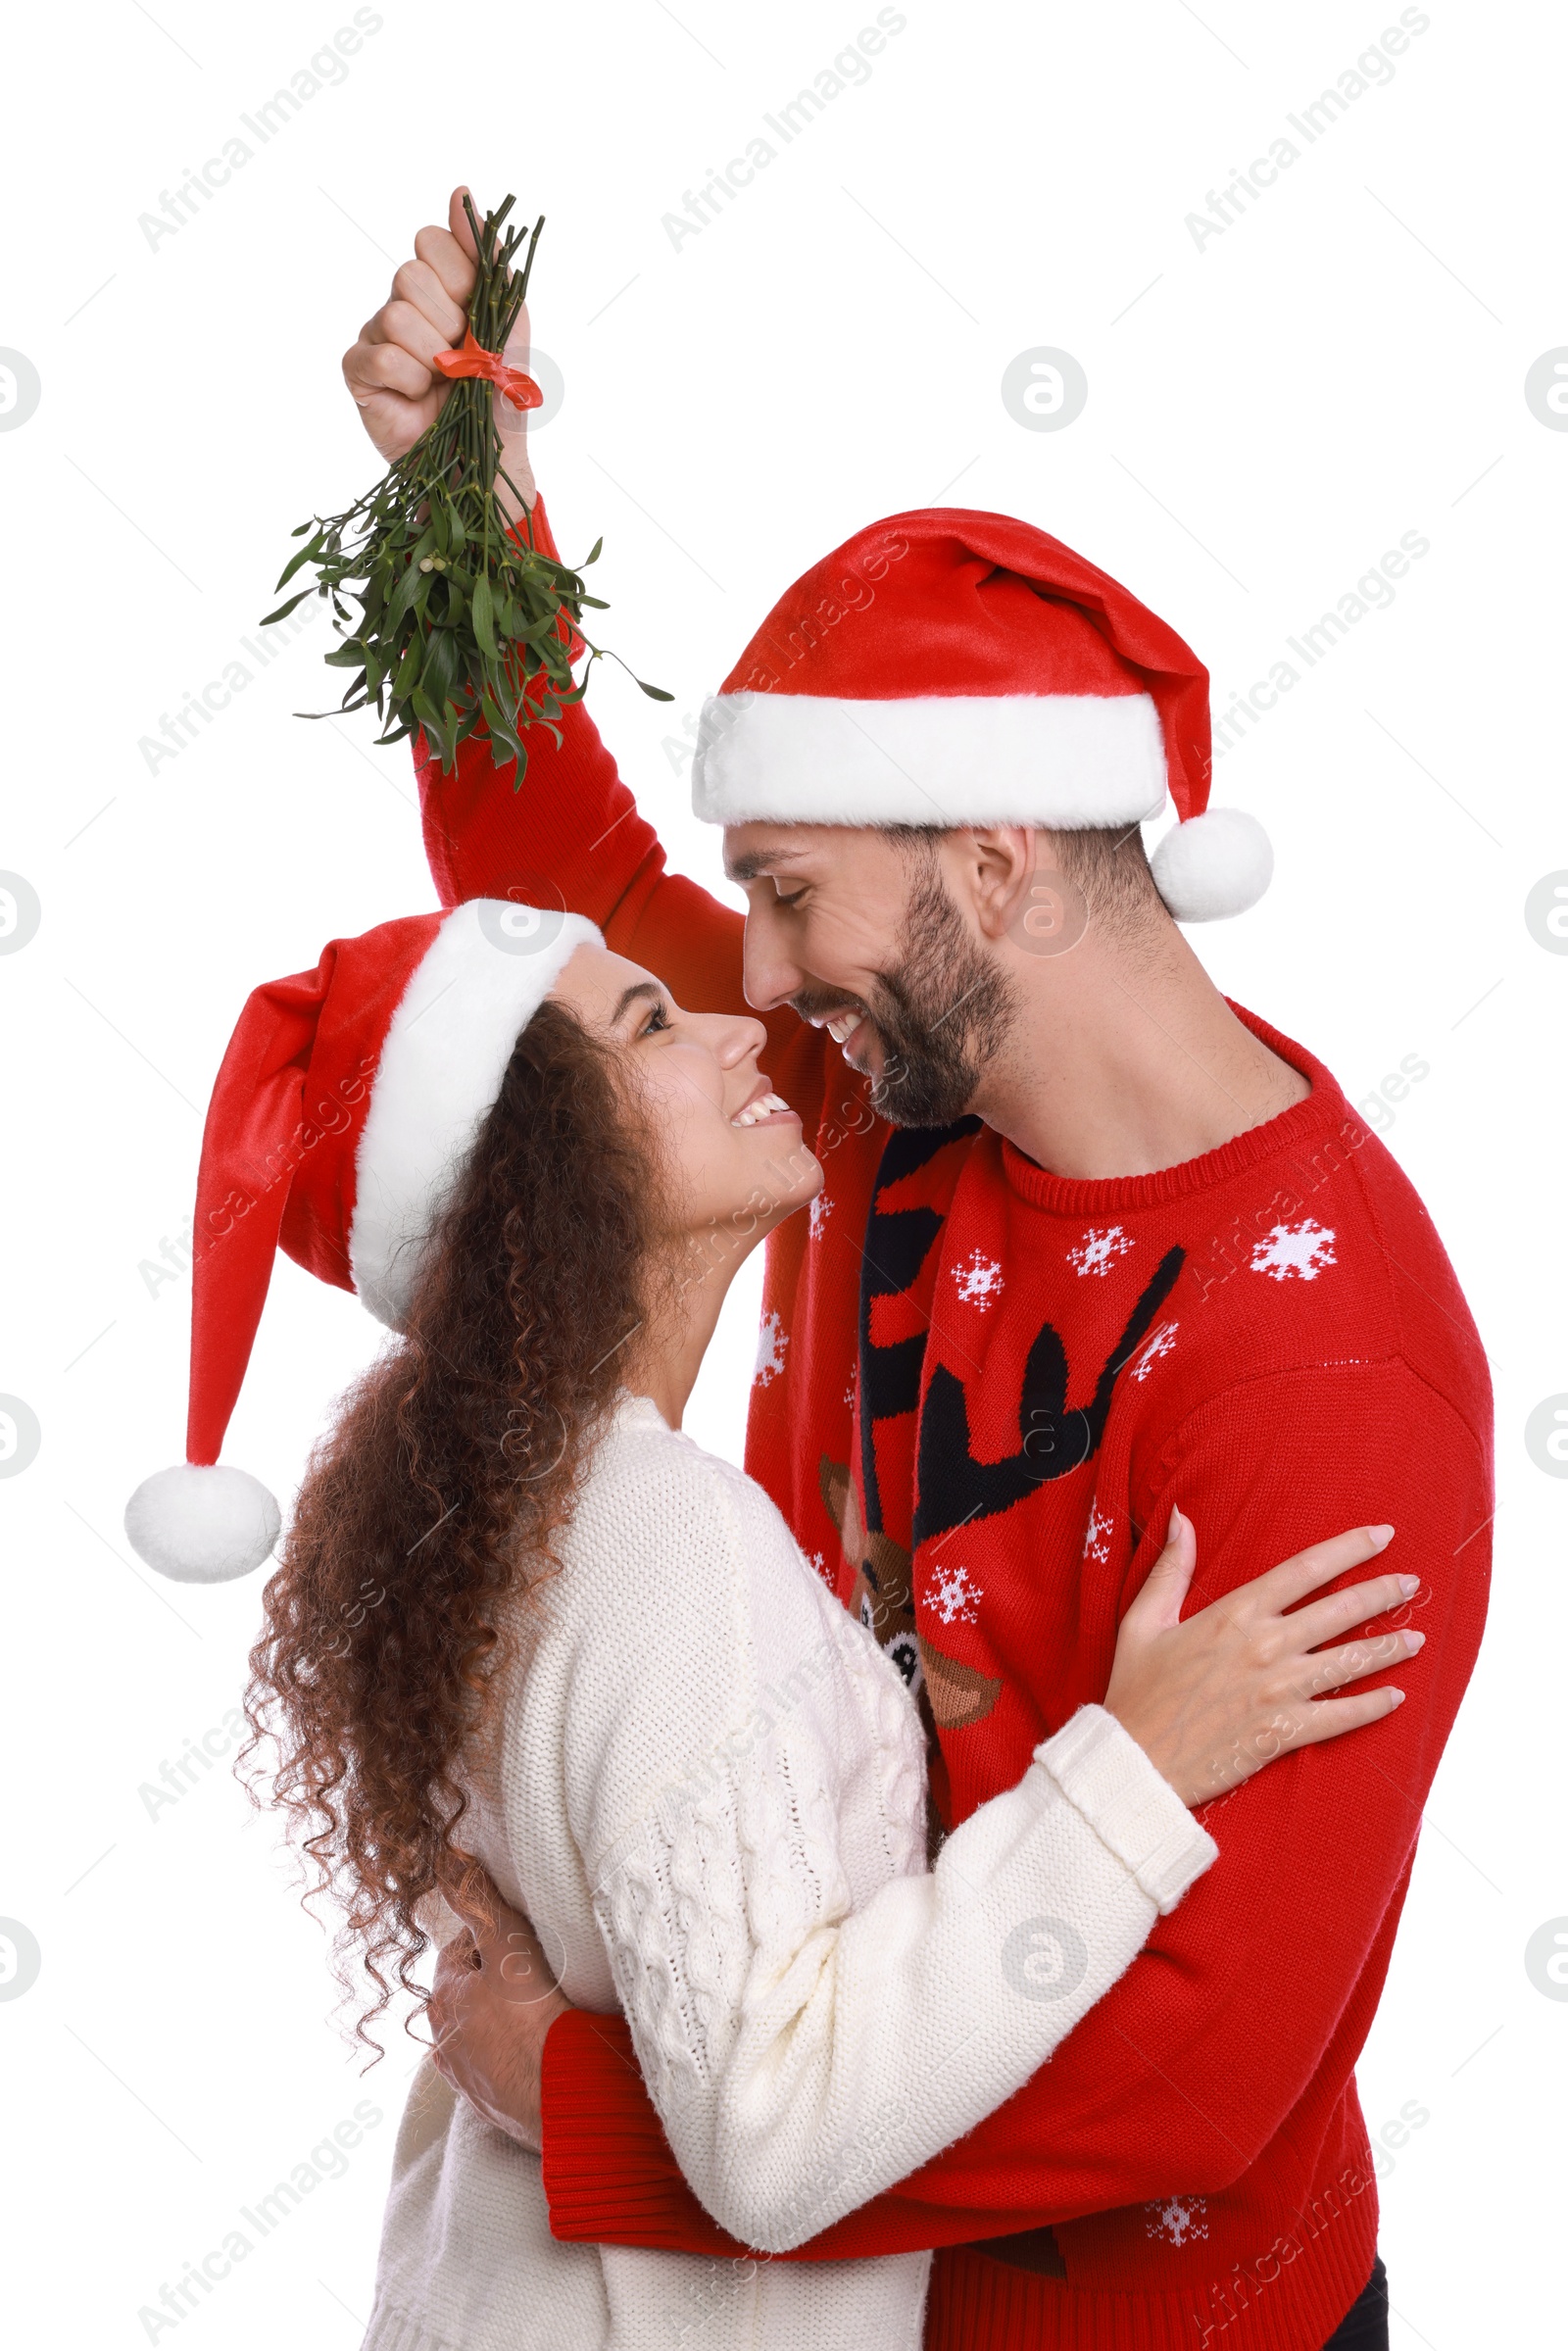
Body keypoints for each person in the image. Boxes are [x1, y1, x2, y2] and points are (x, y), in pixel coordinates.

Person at [338, 191, 1493, 2351]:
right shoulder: (880, 1086)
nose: (751, 979)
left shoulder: (1320, 1370)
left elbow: (1191, 2071)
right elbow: (558, 898)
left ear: (989, 863)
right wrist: (451, 506)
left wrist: (595, 2113)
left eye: (780, 895)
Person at [122, 902, 1413, 2351]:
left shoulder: (493, 1511)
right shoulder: (664, 1542)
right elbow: (774, 2141)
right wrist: (1133, 1773)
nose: (744, 1024)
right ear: (542, 1179)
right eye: (651, 1026)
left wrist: (562, 2085)